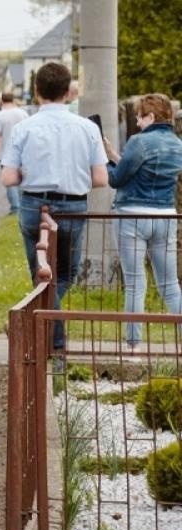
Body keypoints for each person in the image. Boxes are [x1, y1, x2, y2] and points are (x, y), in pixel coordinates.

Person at [0, 61, 107, 355]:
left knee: (41, 276)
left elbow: (8, 177)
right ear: (68, 91)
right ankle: (54, 346)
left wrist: (29, 172)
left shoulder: (24, 127)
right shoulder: (87, 128)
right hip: (73, 206)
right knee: (64, 276)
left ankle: (30, 322)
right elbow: (100, 178)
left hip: (36, 204)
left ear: (36, 92)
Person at [103, 95, 182, 349]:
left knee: (136, 282)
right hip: (166, 216)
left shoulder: (138, 141)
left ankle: (133, 345)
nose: (136, 122)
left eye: (139, 117)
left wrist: (105, 159)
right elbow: (145, 172)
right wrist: (117, 155)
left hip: (132, 216)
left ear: (150, 117)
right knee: (170, 285)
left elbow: (116, 179)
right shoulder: (177, 144)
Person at [0, 92, 27, 209]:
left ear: (1, 101)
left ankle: (15, 207)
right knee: (21, 180)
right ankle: (21, 205)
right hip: (23, 152)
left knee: (10, 181)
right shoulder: (23, 114)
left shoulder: (0, 115)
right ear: (13, 99)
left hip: (7, 153)